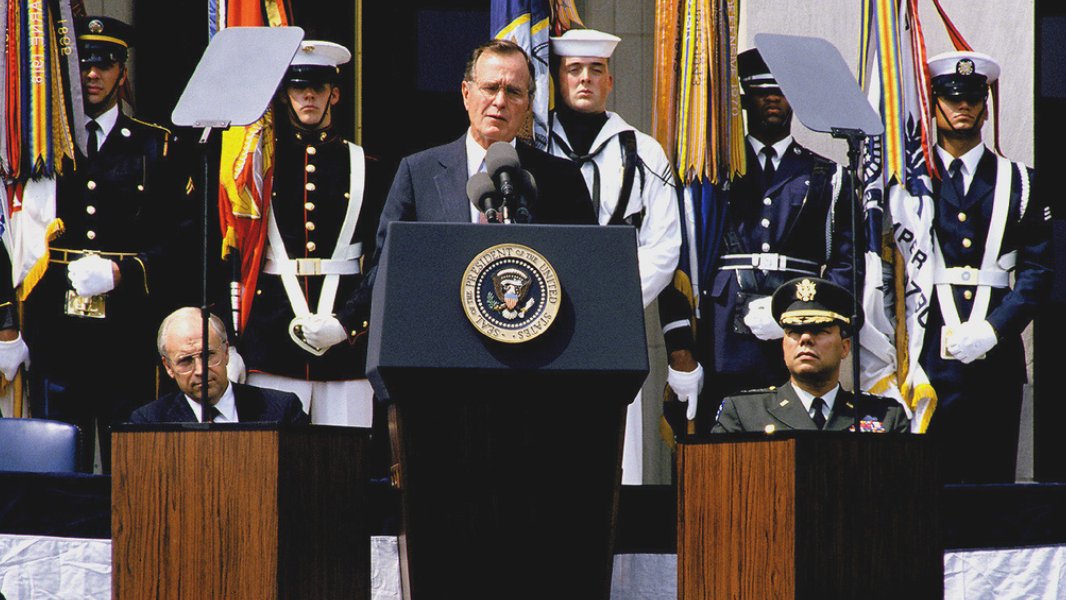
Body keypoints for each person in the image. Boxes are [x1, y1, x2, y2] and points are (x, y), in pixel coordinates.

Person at [18, 16, 194, 470]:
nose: (92, 74)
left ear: (122, 71)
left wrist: (124, 271)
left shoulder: (157, 146)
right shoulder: (45, 144)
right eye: (83, 64)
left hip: (126, 334)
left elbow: (180, 239)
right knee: (58, 462)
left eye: (104, 64)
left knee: (129, 463)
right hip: (57, 332)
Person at [546, 29, 684, 484]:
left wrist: (611, 299)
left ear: (610, 81)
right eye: (573, 70)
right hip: (536, 321)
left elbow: (665, 246)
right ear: (557, 79)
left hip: (613, 322)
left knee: (614, 462)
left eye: (596, 70)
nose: (585, 79)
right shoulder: (530, 143)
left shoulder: (645, 151)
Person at [225, 40, 386, 428]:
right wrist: (228, 340)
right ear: (284, 95)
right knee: (270, 469)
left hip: (345, 346)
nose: (309, 95)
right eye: (299, 87)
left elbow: (383, 261)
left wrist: (349, 323)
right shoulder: (256, 167)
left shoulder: (369, 166)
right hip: (272, 339)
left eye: (318, 86)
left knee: (345, 467)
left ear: (335, 93)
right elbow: (234, 252)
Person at [699, 48, 854, 431]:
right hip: (725, 332)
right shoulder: (714, 171)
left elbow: (845, 263)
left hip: (800, 325)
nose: (772, 99)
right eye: (761, 91)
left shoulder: (826, 174)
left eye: (781, 91)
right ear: (744, 99)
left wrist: (799, 315)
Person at [919, 51, 1051, 483]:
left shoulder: (1022, 181)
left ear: (986, 105)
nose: (963, 107)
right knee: (926, 483)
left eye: (973, 97)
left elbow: (1037, 273)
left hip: (995, 356)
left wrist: (994, 329)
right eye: (952, 97)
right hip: (927, 353)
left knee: (991, 480)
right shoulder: (911, 181)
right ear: (932, 101)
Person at [372, 38, 595, 243]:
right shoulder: (418, 173)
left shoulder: (563, 179)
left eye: (513, 92)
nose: (500, 101)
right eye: (490, 88)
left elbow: (587, 264)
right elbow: (385, 269)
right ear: (466, 94)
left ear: (528, 105)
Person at [713, 277, 908, 434]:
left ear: (845, 347)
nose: (805, 339)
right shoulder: (744, 413)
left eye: (820, 330)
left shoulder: (885, 415)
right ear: (783, 344)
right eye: (794, 332)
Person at [130, 308, 308, 425]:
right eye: (186, 361)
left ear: (225, 352)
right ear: (168, 367)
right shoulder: (149, 422)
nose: (200, 371)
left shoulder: (282, 411)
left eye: (208, 356)